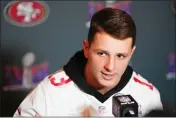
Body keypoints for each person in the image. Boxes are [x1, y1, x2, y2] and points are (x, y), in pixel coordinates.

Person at [13, 8, 163, 117]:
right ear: (86, 48)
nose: (110, 67)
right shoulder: (48, 95)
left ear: (131, 54)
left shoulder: (149, 97)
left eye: (120, 56)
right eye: (102, 53)